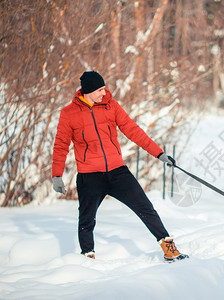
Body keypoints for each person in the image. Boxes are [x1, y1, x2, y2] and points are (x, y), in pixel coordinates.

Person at [52, 71, 188, 262]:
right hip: (90, 176)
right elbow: (61, 145)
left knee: (145, 208)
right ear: (88, 91)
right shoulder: (69, 114)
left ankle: (169, 248)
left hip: (117, 172)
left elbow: (133, 130)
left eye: (103, 88)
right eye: (99, 90)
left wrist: (159, 153)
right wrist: (56, 175)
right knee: (86, 220)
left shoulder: (110, 105)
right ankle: (87, 257)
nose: (104, 92)